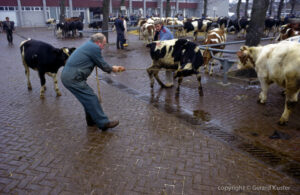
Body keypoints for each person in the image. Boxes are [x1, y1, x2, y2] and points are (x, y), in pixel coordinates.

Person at [61, 33, 125, 131]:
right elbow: (103, 65)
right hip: (73, 78)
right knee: (91, 98)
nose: (103, 47)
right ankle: (103, 123)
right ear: (98, 42)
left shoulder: (89, 45)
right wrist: (114, 68)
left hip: (70, 76)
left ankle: (91, 121)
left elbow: (96, 62)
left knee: (87, 97)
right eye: (103, 44)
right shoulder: (94, 48)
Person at [153, 20, 174, 86]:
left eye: (158, 26)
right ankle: (173, 75)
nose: (156, 28)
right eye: (155, 27)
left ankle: (169, 82)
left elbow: (161, 42)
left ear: (161, 25)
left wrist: (152, 45)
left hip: (171, 49)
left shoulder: (165, 31)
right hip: (166, 48)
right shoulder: (159, 31)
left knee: (168, 65)